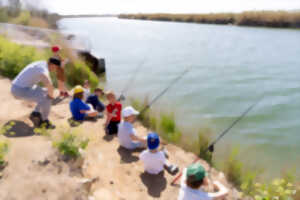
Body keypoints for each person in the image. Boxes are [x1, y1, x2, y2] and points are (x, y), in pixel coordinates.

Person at [11, 57, 62, 129]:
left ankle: (36, 113)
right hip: (20, 90)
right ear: (52, 65)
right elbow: (49, 84)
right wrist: (51, 97)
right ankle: (44, 121)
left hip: (18, 87)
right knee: (47, 98)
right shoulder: (43, 69)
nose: (55, 70)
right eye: (55, 68)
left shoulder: (42, 63)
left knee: (46, 92)